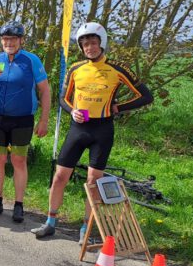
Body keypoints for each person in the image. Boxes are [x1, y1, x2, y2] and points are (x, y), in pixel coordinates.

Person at [31, 22, 153, 242]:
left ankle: (85, 229)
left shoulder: (117, 69)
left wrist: (119, 107)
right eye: (85, 44)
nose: (89, 47)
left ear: (101, 44)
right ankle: (50, 222)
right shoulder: (76, 68)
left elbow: (146, 95)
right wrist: (72, 110)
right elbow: (63, 98)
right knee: (60, 177)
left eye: (93, 43)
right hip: (79, 128)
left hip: (102, 130)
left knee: (92, 182)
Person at [0, 22, 50, 223]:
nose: (8, 43)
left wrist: (44, 120)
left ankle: (19, 205)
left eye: (13, 39)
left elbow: (45, 91)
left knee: (18, 161)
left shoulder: (31, 60)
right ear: (1, 41)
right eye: (5, 39)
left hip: (23, 119)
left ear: (21, 41)